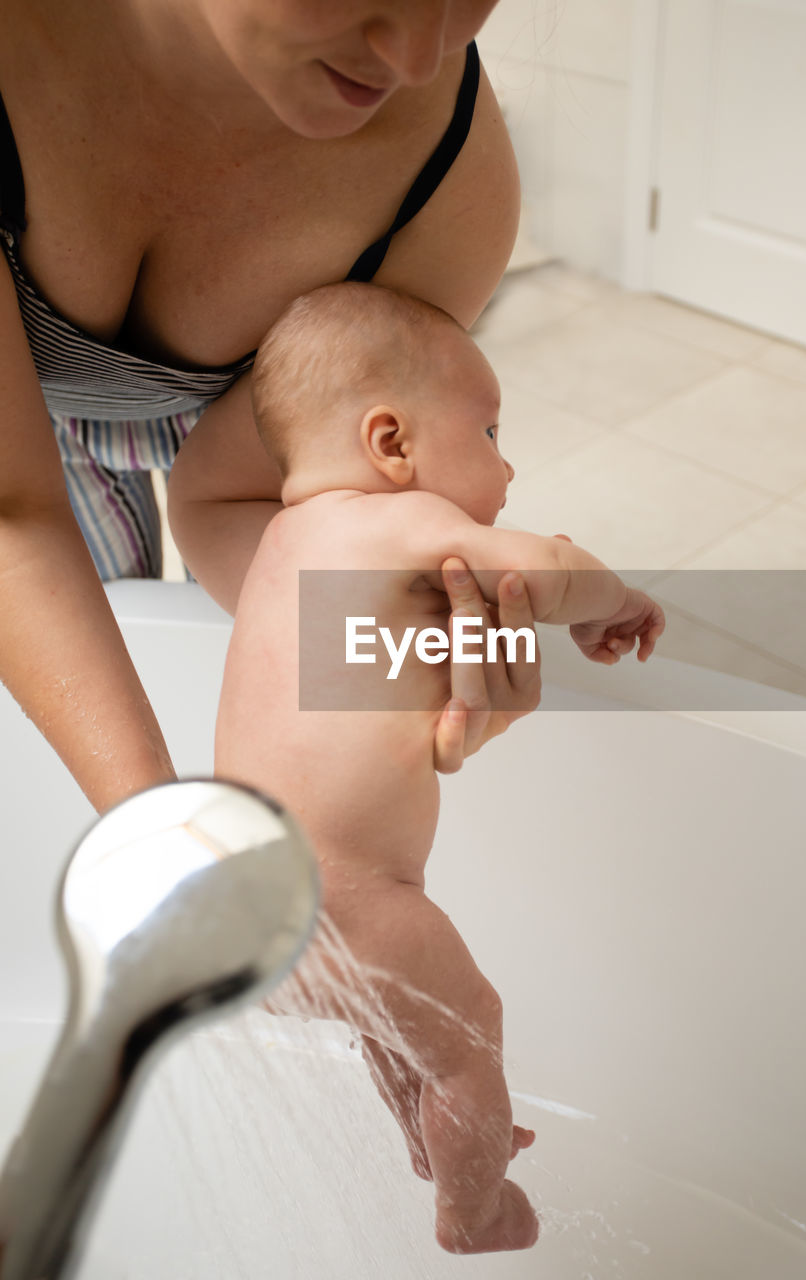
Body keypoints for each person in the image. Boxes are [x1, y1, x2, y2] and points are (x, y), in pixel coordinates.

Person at [0, 0, 538, 814]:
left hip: (242, 434)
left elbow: (236, 500)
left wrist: (390, 640)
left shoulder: (447, 192)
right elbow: (14, 513)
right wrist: (149, 823)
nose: (417, 56)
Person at [215, 282, 666, 1253]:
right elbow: (533, 566)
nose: (506, 462)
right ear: (391, 445)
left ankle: (436, 1137)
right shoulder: (395, 524)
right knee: (470, 1028)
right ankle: (472, 1205)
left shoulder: (279, 547)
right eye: (491, 429)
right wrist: (609, 597)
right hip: (351, 889)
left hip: (243, 893)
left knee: (403, 1030)